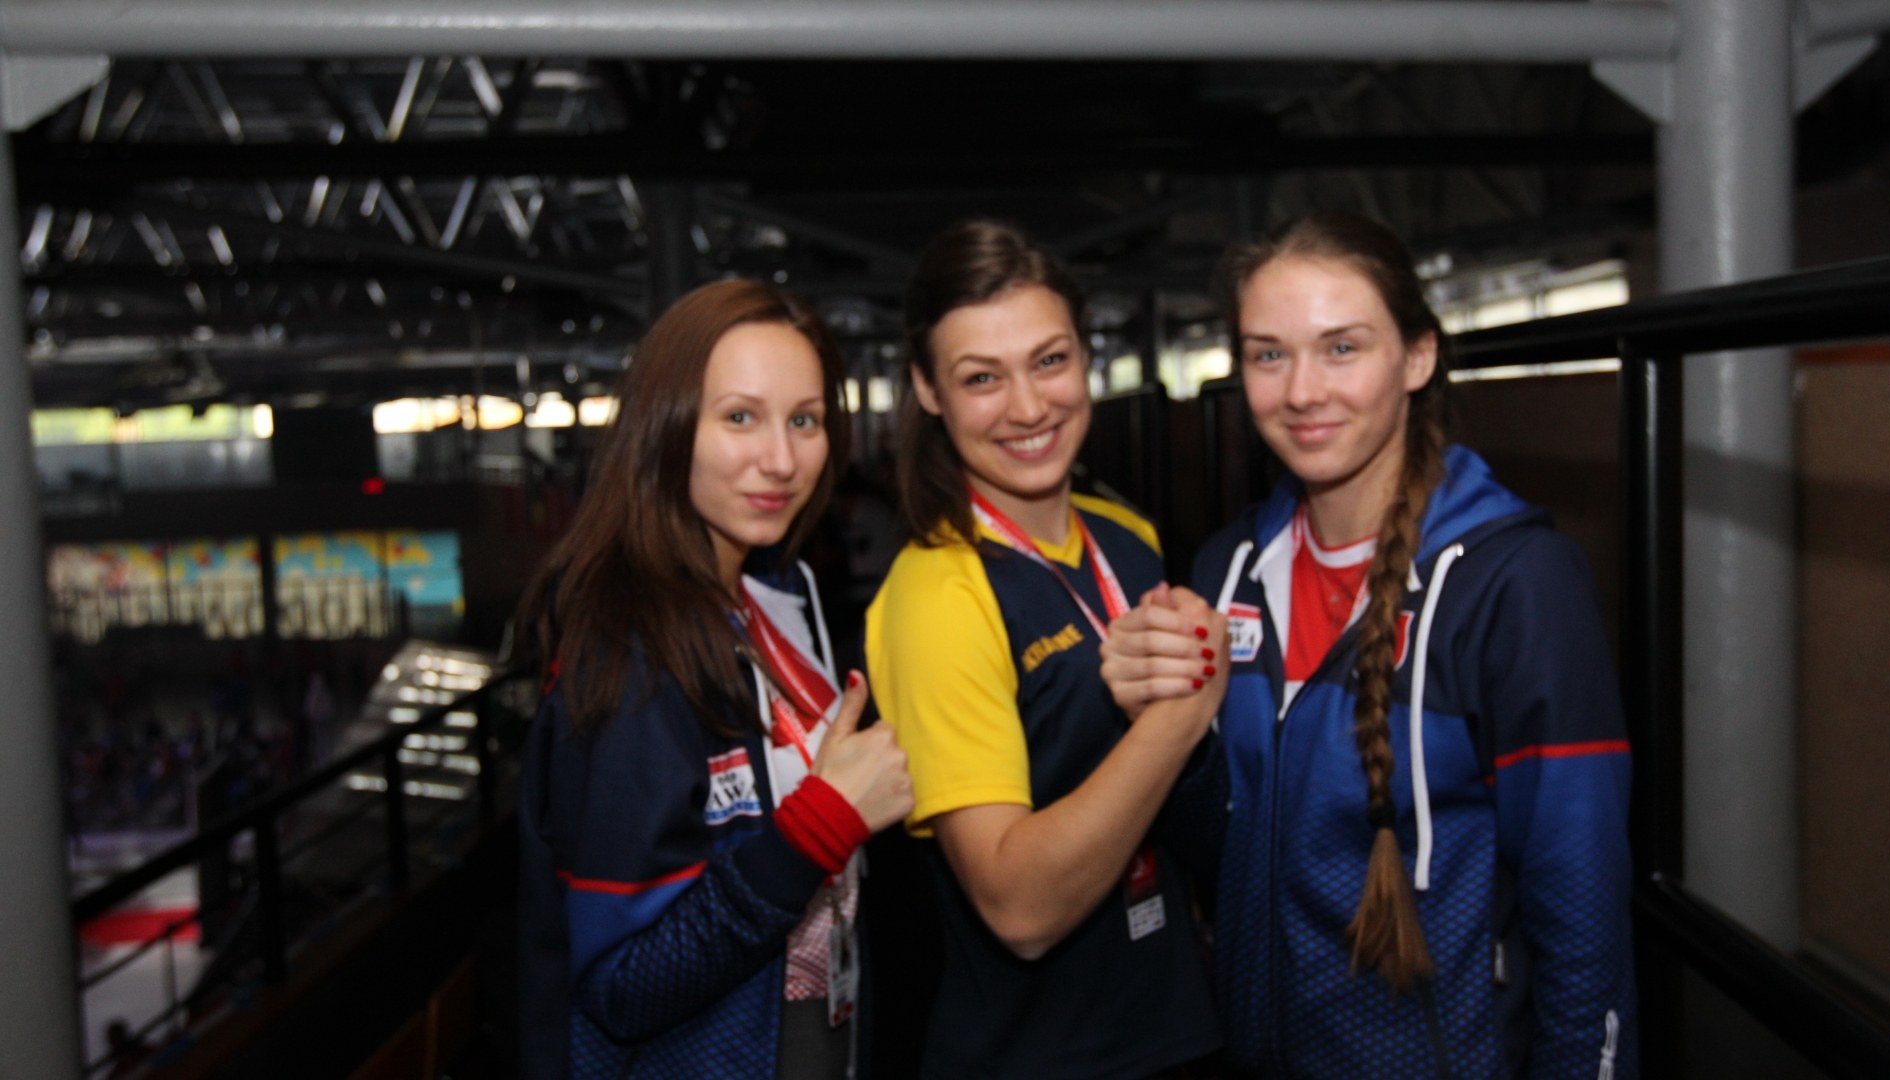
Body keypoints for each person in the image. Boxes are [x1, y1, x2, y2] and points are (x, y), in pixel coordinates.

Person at [1101, 211, 1637, 1079]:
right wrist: (1165, 728)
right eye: (1268, 354)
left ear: (1417, 357)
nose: (1301, 391)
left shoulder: (1515, 584)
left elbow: (1580, 904)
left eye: (1342, 348)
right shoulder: (1228, 569)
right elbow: (1222, 854)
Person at [517, 279, 915, 1080]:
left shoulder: (767, 596)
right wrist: (821, 826)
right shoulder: (629, 649)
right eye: (740, 417)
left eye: (804, 420)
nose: (782, 460)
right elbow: (621, 988)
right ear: (665, 426)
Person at [864, 219, 1226, 1079]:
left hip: (1176, 1023)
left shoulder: (1127, 538)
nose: (1028, 407)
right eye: (981, 378)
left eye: (1050, 360)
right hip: (1036, 1055)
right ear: (928, 390)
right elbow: (1019, 908)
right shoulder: (937, 594)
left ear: (1086, 357)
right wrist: (1178, 720)